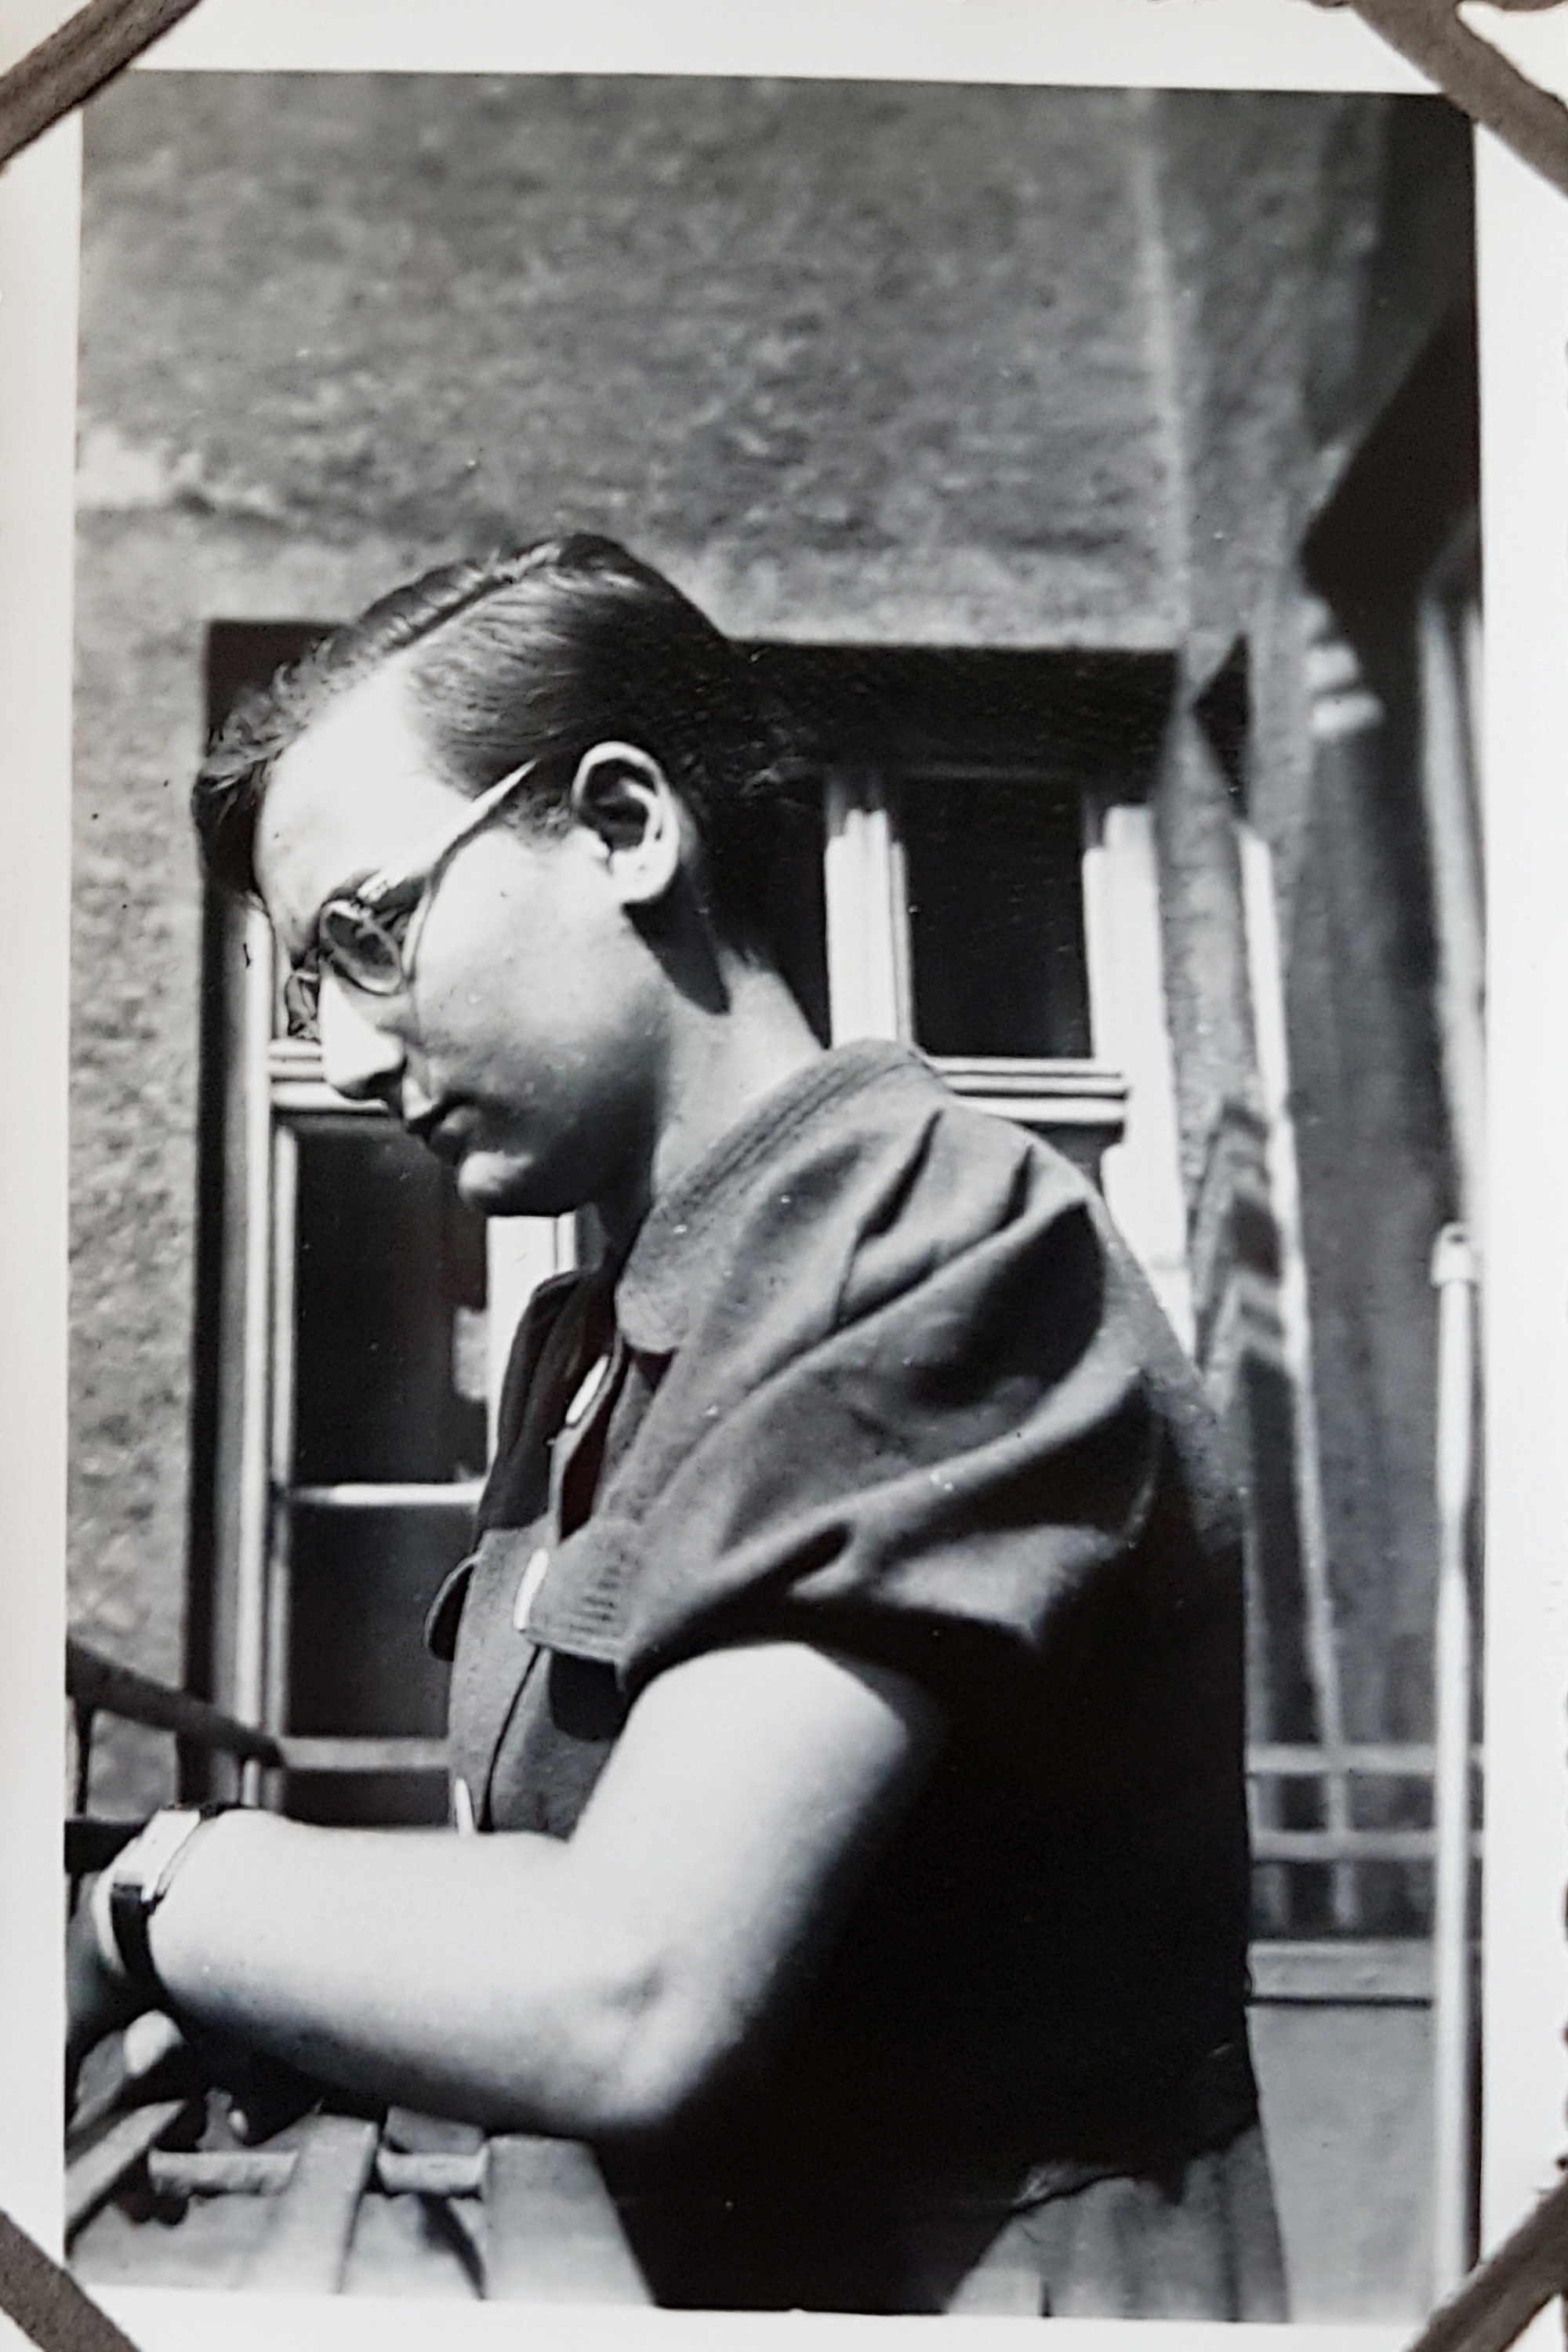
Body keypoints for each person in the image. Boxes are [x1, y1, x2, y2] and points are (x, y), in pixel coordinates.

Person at [69, 533, 1286, 2316]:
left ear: (626, 825)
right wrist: (314, 1993)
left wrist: (168, 1888)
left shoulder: (934, 1240)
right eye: (311, 988)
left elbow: (629, 1987)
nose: (345, 1057)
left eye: (370, 936)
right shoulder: (595, 1333)